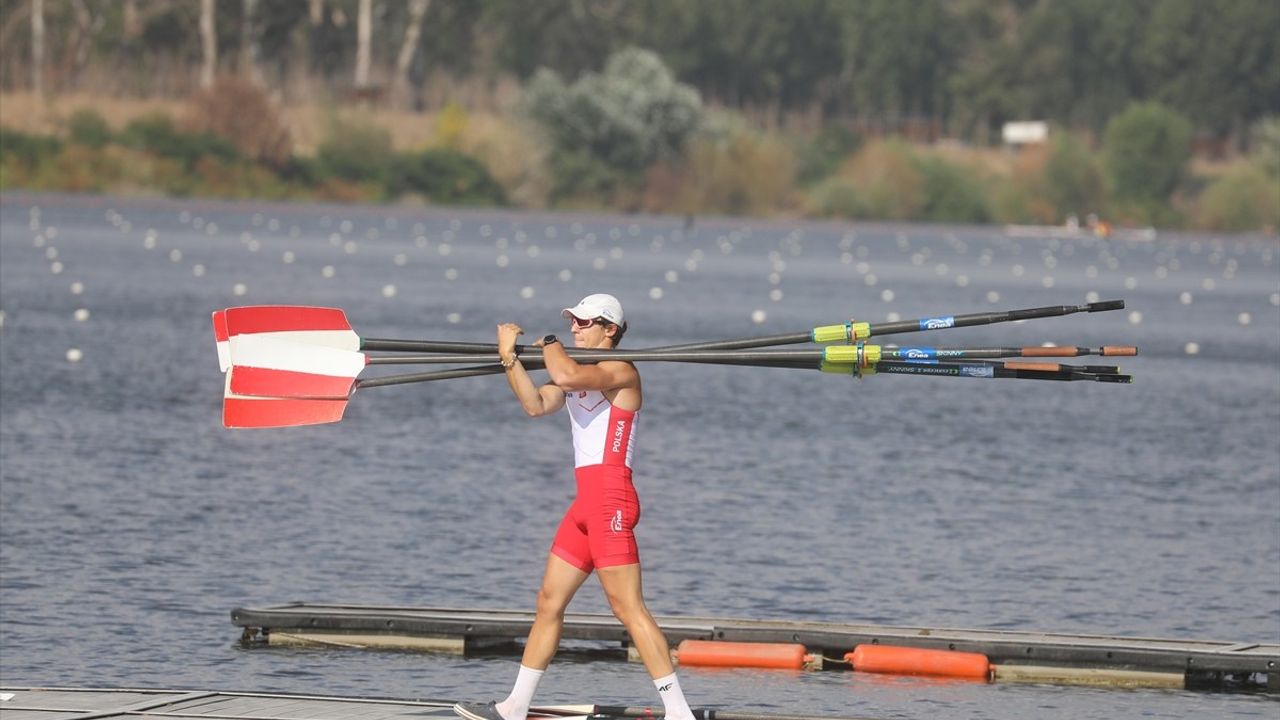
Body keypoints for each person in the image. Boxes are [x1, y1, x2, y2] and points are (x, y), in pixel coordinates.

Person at [454, 294, 696, 720]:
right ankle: (515, 706)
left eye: (586, 322)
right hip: (585, 504)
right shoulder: (579, 374)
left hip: (612, 500)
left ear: (611, 330)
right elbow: (535, 403)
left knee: (628, 608)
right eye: (573, 321)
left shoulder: (621, 371)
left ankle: (679, 713)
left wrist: (546, 342)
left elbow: (564, 376)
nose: (576, 327)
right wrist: (509, 360)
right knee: (548, 601)